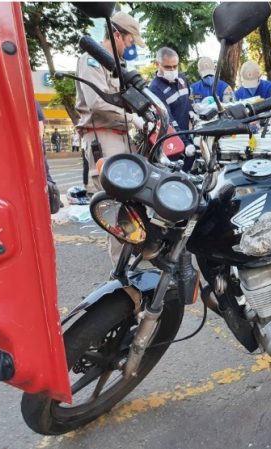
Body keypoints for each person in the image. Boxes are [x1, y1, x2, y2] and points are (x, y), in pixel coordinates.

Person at [75, 11, 145, 265]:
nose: (129, 48)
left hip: (121, 137)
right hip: (103, 139)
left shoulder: (116, 66)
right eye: (128, 42)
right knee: (116, 207)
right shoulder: (91, 60)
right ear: (117, 34)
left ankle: (133, 265)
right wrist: (131, 118)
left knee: (133, 203)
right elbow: (95, 102)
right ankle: (121, 275)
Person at [148, 47, 195, 170]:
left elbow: (189, 101)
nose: (173, 70)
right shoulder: (155, 88)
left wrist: (195, 112)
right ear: (158, 65)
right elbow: (169, 120)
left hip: (190, 134)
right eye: (168, 67)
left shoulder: (182, 79)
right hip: (174, 142)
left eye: (175, 66)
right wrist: (186, 143)